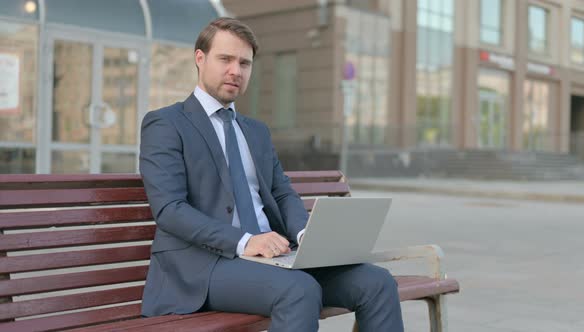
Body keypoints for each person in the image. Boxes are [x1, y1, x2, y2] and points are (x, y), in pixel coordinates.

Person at [139, 17, 404, 332]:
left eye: (244, 63)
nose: (236, 71)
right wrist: (245, 241)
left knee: (377, 282)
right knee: (298, 290)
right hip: (203, 267)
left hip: (274, 259)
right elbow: (170, 210)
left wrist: (306, 237)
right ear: (200, 58)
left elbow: (282, 193)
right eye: (225, 59)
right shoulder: (166, 124)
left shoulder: (256, 131)